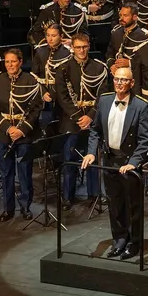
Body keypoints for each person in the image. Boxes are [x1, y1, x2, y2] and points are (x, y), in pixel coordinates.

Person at [81, 66, 148, 260]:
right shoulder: (104, 100)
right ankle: (119, 240)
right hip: (109, 160)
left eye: (124, 80)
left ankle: (134, 243)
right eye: (117, 79)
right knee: (114, 204)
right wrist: (91, 153)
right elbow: (95, 130)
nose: (119, 83)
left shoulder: (141, 105)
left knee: (133, 206)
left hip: (129, 163)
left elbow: (145, 139)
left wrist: (134, 162)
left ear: (131, 83)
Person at [0, 48, 42, 222]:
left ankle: (25, 207)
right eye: (7, 62)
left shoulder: (31, 80)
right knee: (6, 172)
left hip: (24, 134)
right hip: (3, 134)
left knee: (25, 172)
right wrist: (7, 128)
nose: (9, 65)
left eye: (13, 61)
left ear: (20, 61)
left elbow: (35, 109)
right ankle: (8, 208)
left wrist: (21, 130)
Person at [53, 32, 106, 204]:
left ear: (89, 46)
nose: (81, 50)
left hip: (93, 118)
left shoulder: (99, 68)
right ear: (72, 48)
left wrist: (90, 116)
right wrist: (78, 117)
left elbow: (103, 96)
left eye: (84, 47)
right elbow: (62, 97)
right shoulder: (63, 69)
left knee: (93, 157)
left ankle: (94, 195)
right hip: (71, 119)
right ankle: (67, 197)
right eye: (78, 47)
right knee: (70, 159)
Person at [32, 24, 72, 132]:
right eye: (48, 35)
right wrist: (42, 92)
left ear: (61, 36)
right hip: (46, 93)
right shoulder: (40, 51)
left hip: (63, 94)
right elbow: (34, 76)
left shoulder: (68, 52)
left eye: (54, 35)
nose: (50, 38)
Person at [105, 3, 148, 73]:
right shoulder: (116, 33)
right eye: (120, 15)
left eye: (125, 15)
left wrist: (130, 63)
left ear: (134, 17)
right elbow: (109, 53)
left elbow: (147, 60)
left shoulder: (144, 36)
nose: (121, 18)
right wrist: (111, 65)